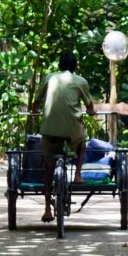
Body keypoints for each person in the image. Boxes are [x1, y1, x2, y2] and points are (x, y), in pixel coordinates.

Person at [31, 50, 95, 223]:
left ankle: (46, 210)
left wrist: (35, 110)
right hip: (72, 130)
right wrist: (91, 111)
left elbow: (36, 102)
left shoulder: (50, 78)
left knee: (48, 168)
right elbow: (90, 106)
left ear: (59, 66)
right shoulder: (81, 81)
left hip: (49, 130)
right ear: (75, 66)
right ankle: (78, 175)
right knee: (82, 142)